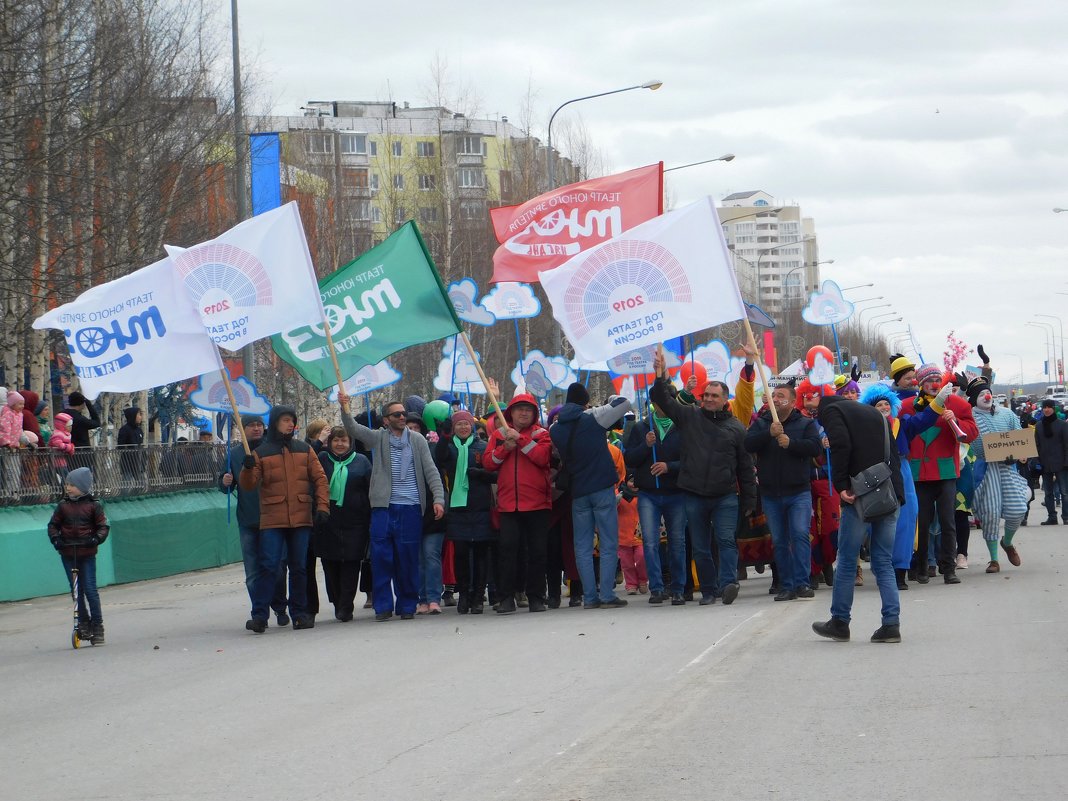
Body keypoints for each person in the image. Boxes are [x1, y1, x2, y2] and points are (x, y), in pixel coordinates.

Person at [650, 349, 757, 606]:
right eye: (706, 395)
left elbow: (745, 467)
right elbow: (663, 399)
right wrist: (660, 374)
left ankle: (729, 582)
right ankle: (708, 590)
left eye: (714, 396)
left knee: (725, 540)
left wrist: (751, 500)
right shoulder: (689, 416)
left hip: (725, 496)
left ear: (724, 399)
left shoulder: (736, 428)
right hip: (694, 494)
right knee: (700, 548)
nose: (708, 399)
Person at [338, 394, 444, 622]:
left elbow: (431, 470)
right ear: (386, 420)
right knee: (381, 557)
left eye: (404, 413)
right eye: (397, 414)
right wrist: (344, 406)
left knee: (407, 559)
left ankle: (407, 604)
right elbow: (353, 429)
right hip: (383, 508)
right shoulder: (378, 438)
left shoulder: (417, 440)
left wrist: (438, 499)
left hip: (411, 508)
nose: (402, 417)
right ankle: (383, 606)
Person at [811, 393, 904, 643]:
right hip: (889, 493)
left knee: (848, 559)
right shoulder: (876, 414)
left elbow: (841, 443)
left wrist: (841, 484)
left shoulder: (832, 412)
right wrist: (899, 495)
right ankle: (891, 624)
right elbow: (892, 454)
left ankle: (840, 622)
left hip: (859, 496)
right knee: (883, 561)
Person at [239, 405, 330, 633]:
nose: (290, 424)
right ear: (276, 422)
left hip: (300, 517)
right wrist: (247, 469)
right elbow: (249, 485)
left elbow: (320, 479)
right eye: (285, 420)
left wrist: (323, 506)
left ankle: (299, 614)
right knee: (268, 566)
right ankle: (259, 615)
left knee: (299, 567)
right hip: (272, 519)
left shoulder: (304, 450)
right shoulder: (261, 452)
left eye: (292, 420)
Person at [550, 382, 633, 610]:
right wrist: (608, 399)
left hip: (577, 491)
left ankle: (589, 596)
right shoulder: (594, 416)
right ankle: (606, 594)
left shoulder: (555, 429)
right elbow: (624, 403)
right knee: (608, 542)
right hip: (602, 487)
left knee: (582, 546)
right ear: (585, 401)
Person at [899, 363, 978, 585]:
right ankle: (922, 567)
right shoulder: (907, 405)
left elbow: (971, 433)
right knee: (921, 523)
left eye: (937, 380)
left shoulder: (957, 404)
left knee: (947, 521)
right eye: (928, 381)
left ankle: (948, 568)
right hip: (919, 473)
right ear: (921, 384)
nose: (934, 385)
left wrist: (957, 420)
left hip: (945, 471)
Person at [744, 382, 823, 601]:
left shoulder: (805, 424)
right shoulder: (762, 423)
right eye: (773, 396)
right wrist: (768, 434)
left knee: (799, 534)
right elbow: (748, 445)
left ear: (792, 400)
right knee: (779, 541)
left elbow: (815, 448)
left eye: (780, 395)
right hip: (771, 493)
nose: (776, 399)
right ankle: (786, 585)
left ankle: (802, 583)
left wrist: (792, 443)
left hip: (798, 492)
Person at [483, 393, 553, 614]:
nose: (524, 413)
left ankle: (536, 597)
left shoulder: (542, 434)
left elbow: (542, 458)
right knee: (507, 552)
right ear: (510, 413)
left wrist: (521, 441)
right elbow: (488, 463)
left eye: (528, 409)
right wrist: (506, 447)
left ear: (534, 414)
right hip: (508, 505)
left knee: (538, 552)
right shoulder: (498, 435)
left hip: (537, 503)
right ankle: (506, 598)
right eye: (519, 409)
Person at [219, 415, 289, 627]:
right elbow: (224, 485)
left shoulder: (272, 449)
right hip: (248, 520)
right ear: (242, 429)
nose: (257, 429)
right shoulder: (236, 453)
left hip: (274, 519)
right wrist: (225, 481)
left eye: (260, 425)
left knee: (276, 567)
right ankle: (259, 612)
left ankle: (279, 606)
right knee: (253, 572)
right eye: (251, 426)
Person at [624, 390, 687, 605]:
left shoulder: (682, 426)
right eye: (659, 401)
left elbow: (690, 460)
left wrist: (669, 467)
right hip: (649, 494)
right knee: (650, 542)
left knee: (677, 542)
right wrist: (645, 446)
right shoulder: (642, 427)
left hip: (676, 493)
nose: (663, 405)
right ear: (652, 403)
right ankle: (657, 588)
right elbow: (629, 458)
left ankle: (678, 588)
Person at [966, 374, 1030, 573]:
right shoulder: (970, 417)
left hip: (1006, 467)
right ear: (974, 398)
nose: (986, 396)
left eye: (988, 393)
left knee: (1018, 509)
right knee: (990, 514)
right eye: (981, 394)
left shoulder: (1007, 414)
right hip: (985, 469)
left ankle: (1008, 542)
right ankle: (994, 560)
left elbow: (1019, 437)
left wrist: (1021, 455)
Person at [434, 410, 497, 614]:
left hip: (479, 507)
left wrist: (482, 474)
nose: (463, 427)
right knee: (460, 554)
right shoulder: (450, 446)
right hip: (458, 508)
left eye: (466, 424)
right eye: (458, 424)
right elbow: (439, 458)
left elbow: (495, 473)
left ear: (472, 426)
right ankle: (464, 595)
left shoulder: (482, 446)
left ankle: (478, 596)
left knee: (481, 555)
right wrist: (443, 437)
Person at [316, 425, 372, 621]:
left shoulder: (361, 461)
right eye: (336, 440)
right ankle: (337, 601)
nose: (340, 444)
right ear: (330, 443)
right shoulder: (322, 459)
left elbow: (369, 490)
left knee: (350, 564)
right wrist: (318, 441)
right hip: (327, 522)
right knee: (330, 564)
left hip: (355, 522)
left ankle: (346, 606)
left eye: (344, 440)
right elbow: (307, 463)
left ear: (351, 443)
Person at [47, 467, 109, 645]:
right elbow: (53, 525)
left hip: (87, 553)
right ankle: (83, 622)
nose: (68, 487)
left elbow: (102, 527)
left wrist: (95, 539)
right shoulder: (63, 506)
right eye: (66, 484)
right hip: (68, 552)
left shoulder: (93, 506)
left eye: (72, 485)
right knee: (76, 590)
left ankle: (97, 625)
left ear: (82, 487)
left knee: (90, 589)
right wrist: (56, 539)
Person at [1034, 398, 1068, 525]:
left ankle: (1066, 516)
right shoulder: (1039, 425)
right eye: (1044, 407)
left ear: (1053, 408)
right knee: (1048, 493)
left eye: (1049, 407)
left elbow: (1066, 445)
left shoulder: (1063, 425)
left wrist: (1066, 462)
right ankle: (1052, 517)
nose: (1046, 409)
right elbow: (1036, 445)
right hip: (1045, 463)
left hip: (1061, 464)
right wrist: (1037, 462)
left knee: (1065, 492)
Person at [117, 406, 145, 491]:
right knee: (126, 485)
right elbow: (120, 446)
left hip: (138, 461)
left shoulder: (139, 430)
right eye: (139, 414)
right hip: (128, 462)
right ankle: (122, 500)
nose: (141, 417)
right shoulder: (124, 429)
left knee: (141, 484)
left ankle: (135, 498)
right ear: (133, 416)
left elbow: (140, 444)